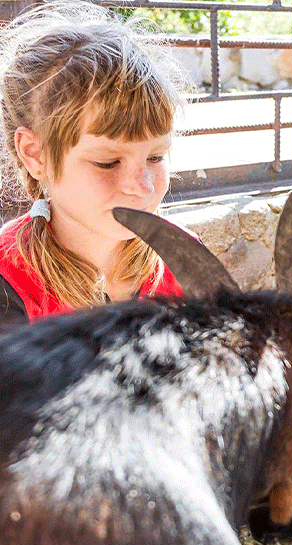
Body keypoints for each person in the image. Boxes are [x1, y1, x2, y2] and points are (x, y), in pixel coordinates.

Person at [0, 0, 188, 326]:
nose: (142, 186)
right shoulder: (9, 288)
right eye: (108, 162)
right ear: (35, 154)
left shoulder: (184, 260)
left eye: (156, 157)